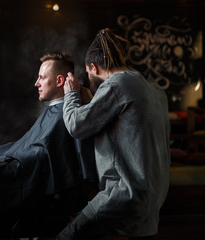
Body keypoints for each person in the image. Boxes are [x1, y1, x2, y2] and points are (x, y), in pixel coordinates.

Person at [0, 52, 96, 239]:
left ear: (60, 80)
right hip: (19, 163)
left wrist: (3, 163)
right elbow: (32, 147)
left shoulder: (65, 115)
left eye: (42, 77)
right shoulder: (56, 111)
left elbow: (42, 155)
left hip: (36, 189)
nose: (36, 83)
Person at [57, 28, 171, 239]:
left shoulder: (118, 84)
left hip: (123, 194)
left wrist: (71, 93)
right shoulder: (152, 87)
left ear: (93, 67)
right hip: (154, 195)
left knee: (67, 237)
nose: (89, 78)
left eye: (89, 74)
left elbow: (76, 126)